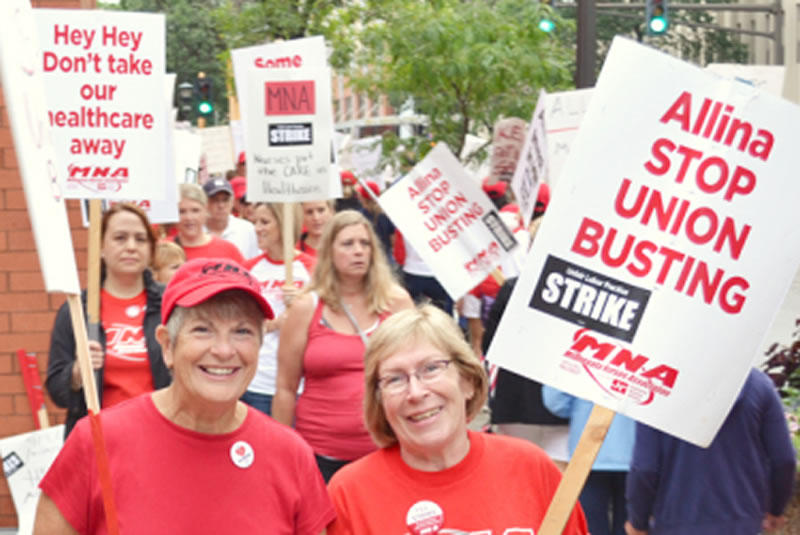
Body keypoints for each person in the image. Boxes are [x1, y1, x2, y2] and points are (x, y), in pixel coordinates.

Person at [34, 258, 335, 534]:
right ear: (167, 346)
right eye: (203, 329)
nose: (224, 350)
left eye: (243, 331)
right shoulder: (97, 441)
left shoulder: (291, 454)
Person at [327, 304, 589, 534]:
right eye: (395, 379)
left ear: (468, 381)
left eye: (431, 369)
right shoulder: (349, 493)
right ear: (379, 400)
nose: (416, 392)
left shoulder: (532, 468)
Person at [272, 209, 414, 482]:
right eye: (348, 244)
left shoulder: (396, 303)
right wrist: (281, 452)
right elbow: (285, 388)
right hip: (319, 454)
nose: (358, 251)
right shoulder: (306, 307)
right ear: (329, 252)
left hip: (386, 450)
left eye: (365, 244)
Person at [45, 203, 172, 438]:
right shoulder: (77, 311)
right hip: (99, 440)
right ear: (101, 247)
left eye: (140, 239)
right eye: (120, 238)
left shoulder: (170, 305)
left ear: (152, 249)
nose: (131, 247)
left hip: (160, 435)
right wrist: (76, 373)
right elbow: (56, 393)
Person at [625, 367, 797, 535]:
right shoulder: (758, 384)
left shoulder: (658, 387)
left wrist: (638, 522)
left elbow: (645, 468)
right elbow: (784, 459)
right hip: (742, 522)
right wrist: (775, 509)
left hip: (676, 522)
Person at [242, 202, 315, 416]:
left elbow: (328, 323)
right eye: (255, 222)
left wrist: (303, 307)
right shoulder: (248, 269)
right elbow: (239, 324)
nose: (257, 228)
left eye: (265, 222)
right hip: (258, 381)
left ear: (284, 224)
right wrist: (274, 324)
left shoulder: (312, 269)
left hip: (299, 384)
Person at [543, 386, 635, 535]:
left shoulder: (579, 361)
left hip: (588, 453)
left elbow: (555, 402)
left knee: (589, 526)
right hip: (635, 453)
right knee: (633, 526)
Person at [173, 183, 246, 264]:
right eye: (181, 211)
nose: (189, 217)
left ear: (206, 210)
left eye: (195, 210)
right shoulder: (162, 250)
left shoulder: (228, 250)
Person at [203, 177, 260, 259]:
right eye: (215, 200)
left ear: (232, 202)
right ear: (205, 202)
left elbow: (254, 263)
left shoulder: (247, 229)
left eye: (225, 200)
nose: (221, 205)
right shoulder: (197, 231)